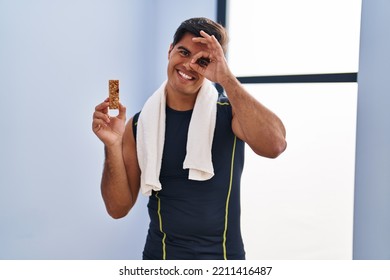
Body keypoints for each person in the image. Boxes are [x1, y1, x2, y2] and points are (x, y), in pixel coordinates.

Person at [92, 17, 286, 260]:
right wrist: (111, 145)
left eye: (202, 60)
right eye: (183, 52)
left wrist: (225, 78)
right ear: (170, 51)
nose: (189, 65)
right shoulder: (141, 123)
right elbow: (117, 208)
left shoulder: (230, 112)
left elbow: (276, 144)